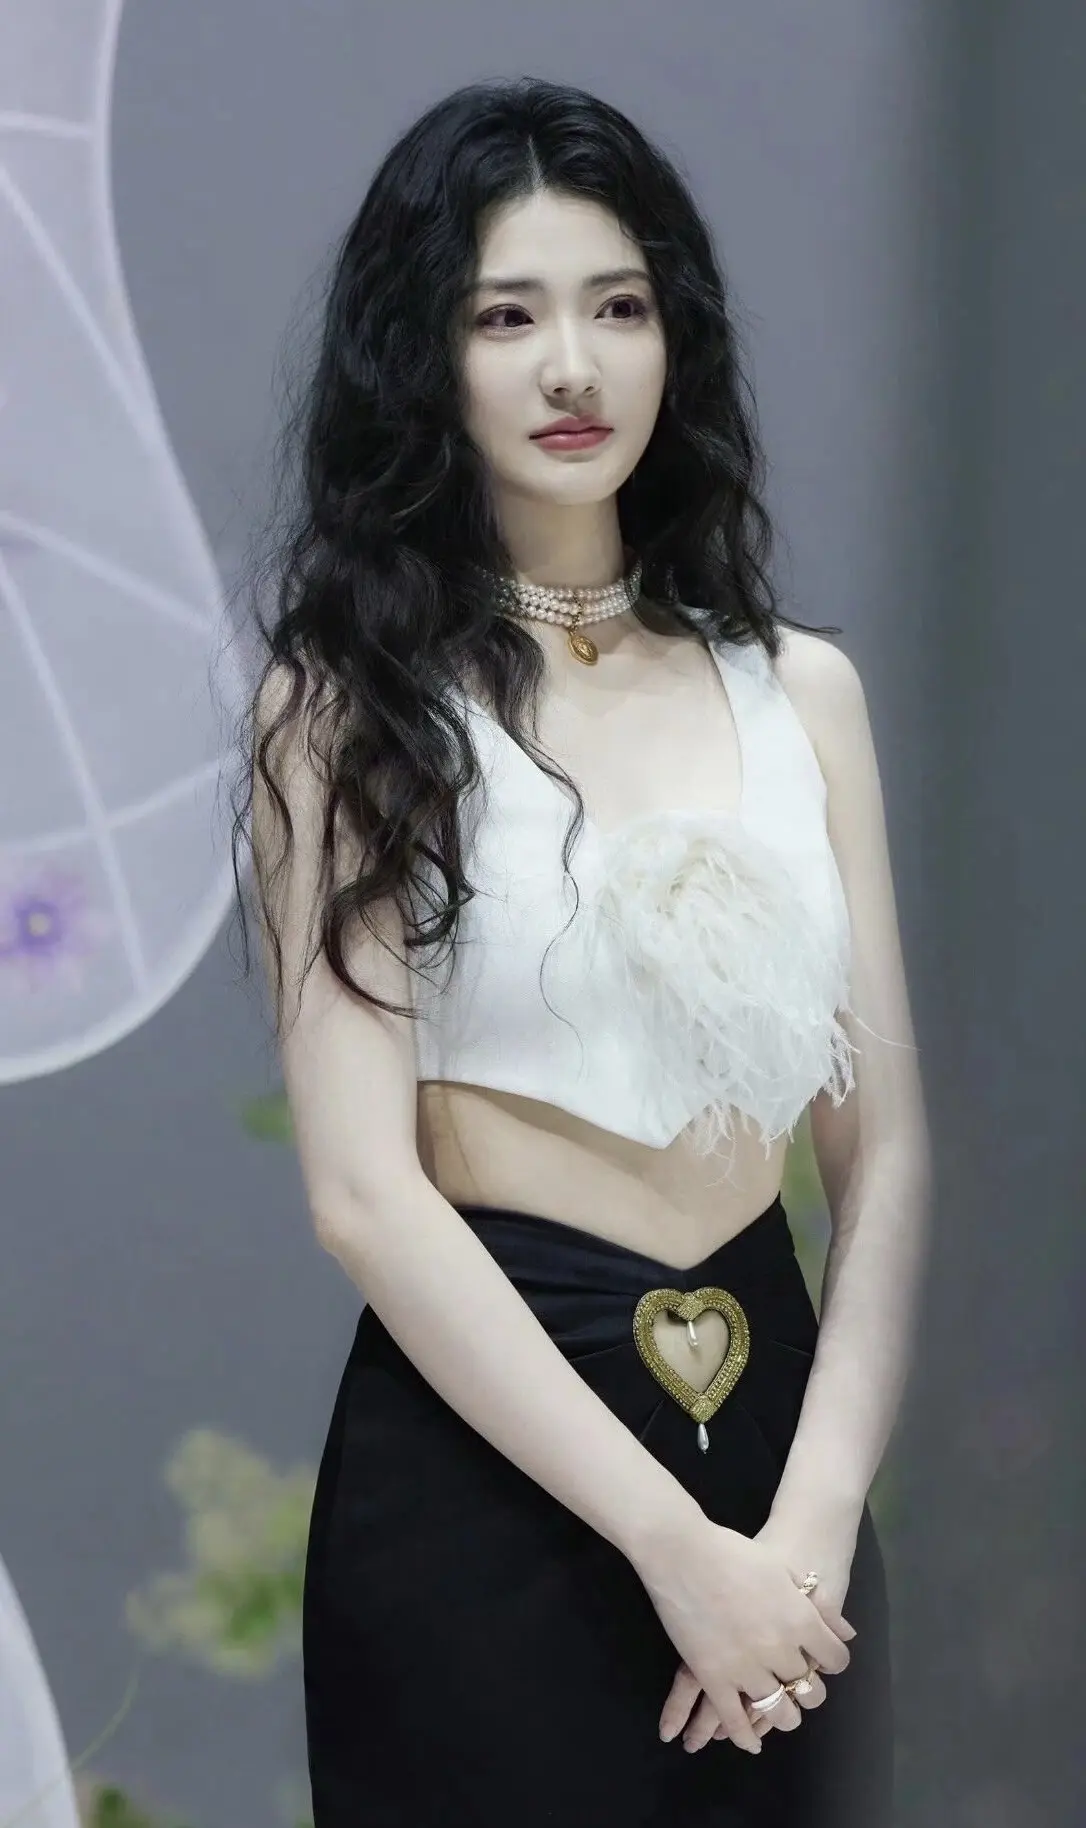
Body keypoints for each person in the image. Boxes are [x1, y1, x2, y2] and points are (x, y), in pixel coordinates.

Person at [231, 74, 931, 1828]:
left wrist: (810, 1522)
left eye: (617, 308)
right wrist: (671, 1547)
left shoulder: (802, 693)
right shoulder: (346, 708)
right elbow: (362, 1196)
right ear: (423, 356)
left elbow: (884, 1152)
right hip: (492, 1475)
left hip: (783, 1486)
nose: (572, 368)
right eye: (505, 317)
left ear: (674, 335)